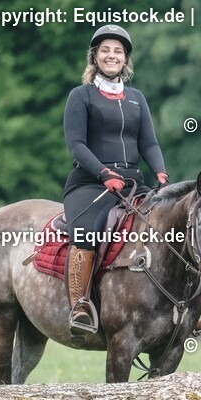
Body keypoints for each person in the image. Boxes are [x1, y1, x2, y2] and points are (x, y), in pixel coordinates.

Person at [63, 25, 169, 336]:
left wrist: (160, 171)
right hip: (90, 184)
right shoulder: (80, 96)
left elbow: (148, 142)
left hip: (133, 184)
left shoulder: (137, 98)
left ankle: (178, 310)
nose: (112, 55)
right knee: (85, 231)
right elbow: (77, 145)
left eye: (118, 51)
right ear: (95, 56)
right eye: (105, 50)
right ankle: (80, 305)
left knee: (165, 229)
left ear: (125, 60)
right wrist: (104, 174)